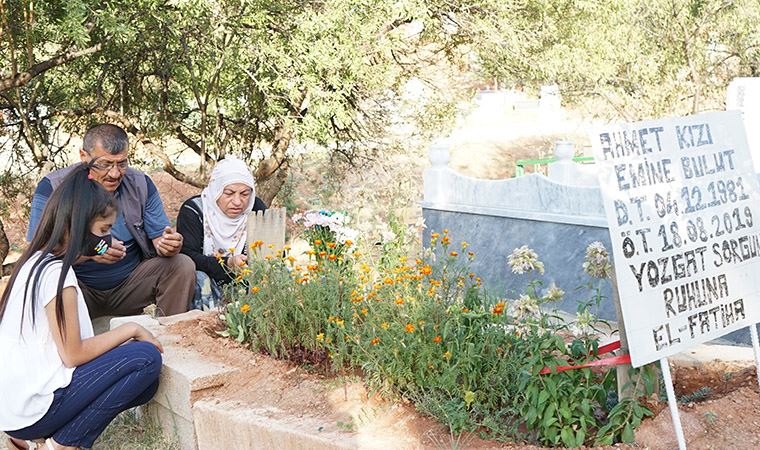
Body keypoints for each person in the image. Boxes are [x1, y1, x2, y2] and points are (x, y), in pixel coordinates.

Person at [1, 164, 163, 450]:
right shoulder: (55, 274)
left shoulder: (31, 262)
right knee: (146, 358)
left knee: (145, 385)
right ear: (78, 225)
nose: (105, 241)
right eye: (103, 231)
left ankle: (28, 440)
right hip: (33, 408)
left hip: (14, 408)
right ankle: (64, 443)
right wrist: (132, 328)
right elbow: (73, 354)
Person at [27, 124, 194, 318]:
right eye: (105, 164)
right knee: (48, 280)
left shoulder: (140, 184)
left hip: (129, 286)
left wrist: (168, 244)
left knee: (181, 265)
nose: (115, 174)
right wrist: (92, 252)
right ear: (84, 156)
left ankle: (169, 336)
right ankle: (66, 343)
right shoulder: (53, 187)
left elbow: (159, 237)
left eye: (122, 163)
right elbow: (37, 254)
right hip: (77, 287)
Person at [176, 157, 266, 309]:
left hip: (246, 284)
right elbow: (188, 257)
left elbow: (274, 251)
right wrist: (228, 263)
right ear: (215, 190)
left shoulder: (256, 208)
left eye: (244, 194)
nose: (237, 202)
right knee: (199, 278)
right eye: (229, 193)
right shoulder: (194, 210)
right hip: (207, 282)